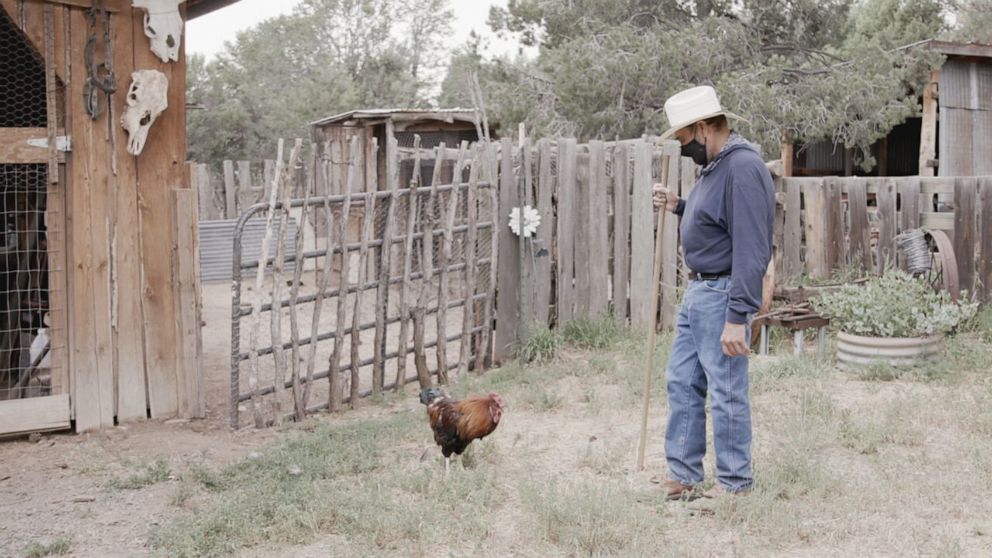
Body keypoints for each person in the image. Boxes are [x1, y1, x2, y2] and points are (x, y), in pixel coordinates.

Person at [651, 85, 775, 500]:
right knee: (682, 382)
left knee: (725, 391)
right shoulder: (717, 166)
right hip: (699, 292)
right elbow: (718, 220)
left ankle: (735, 486)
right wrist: (679, 205)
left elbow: (753, 247)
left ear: (704, 128)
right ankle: (684, 477)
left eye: (685, 141)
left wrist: (738, 316)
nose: (685, 150)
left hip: (722, 293)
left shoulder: (742, 167)